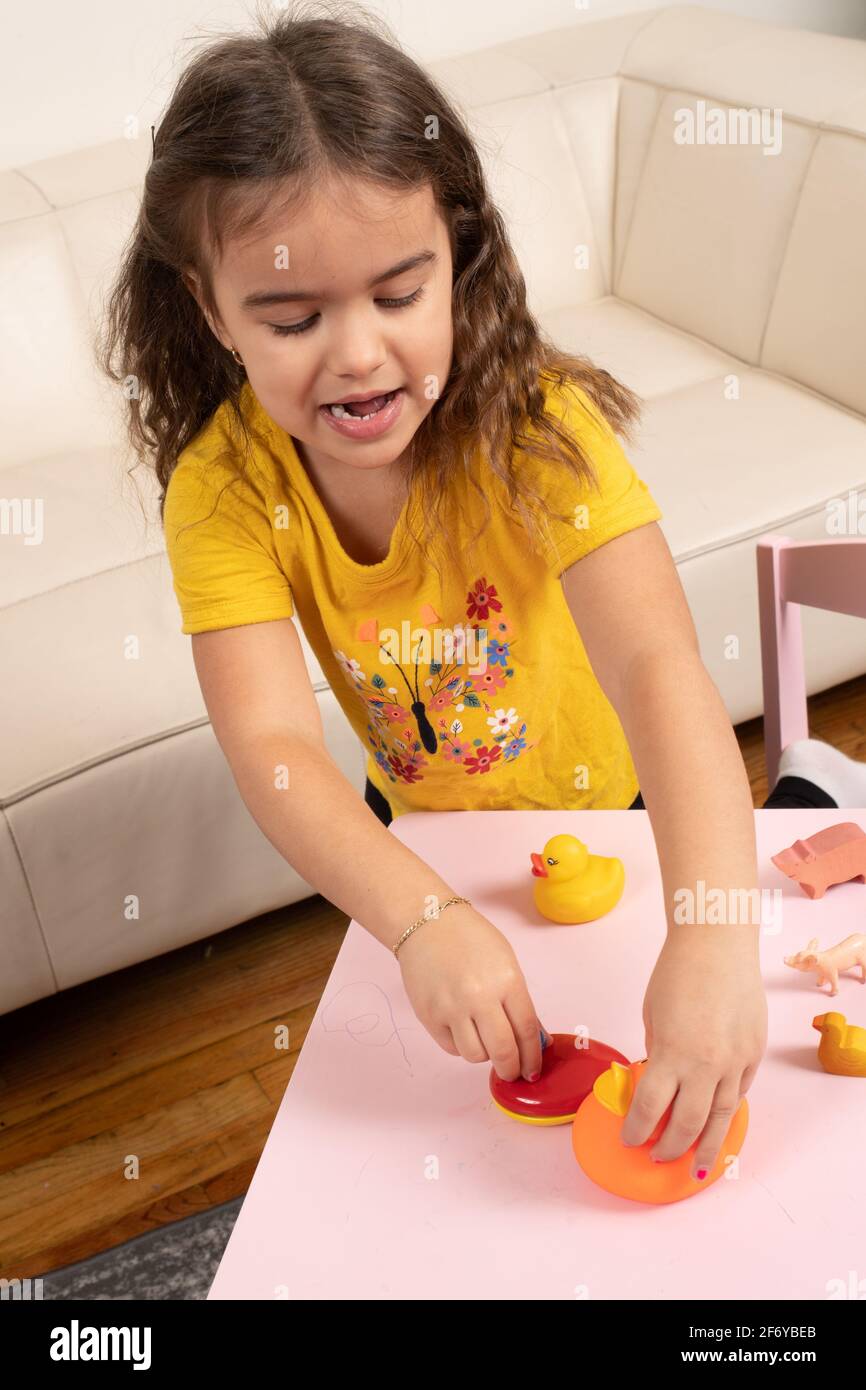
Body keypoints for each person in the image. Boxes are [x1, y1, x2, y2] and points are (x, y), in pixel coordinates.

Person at [98, 4, 857, 1184]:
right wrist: (418, 916)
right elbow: (270, 745)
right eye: (292, 318)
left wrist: (709, 930)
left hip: (616, 819)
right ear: (211, 312)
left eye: (399, 294)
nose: (355, 354)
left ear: (459, 259)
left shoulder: (532, 431)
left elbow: (659, 671)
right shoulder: (223, 493)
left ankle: (806, 794)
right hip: (429, 838)